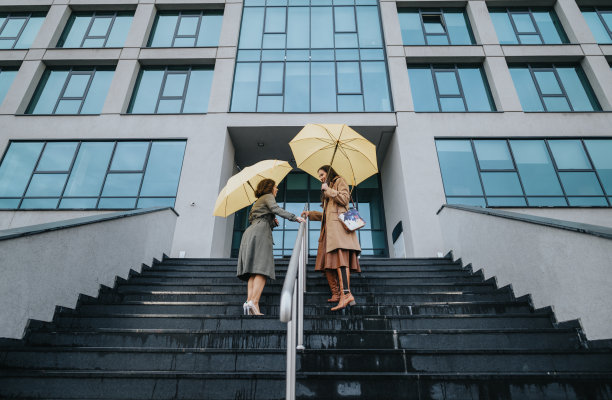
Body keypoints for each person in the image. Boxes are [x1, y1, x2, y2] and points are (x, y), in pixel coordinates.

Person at [237, 178, 306, 315]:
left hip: (250, 233)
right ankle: (254, 302)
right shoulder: (268, 197)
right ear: (269, 187)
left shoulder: (257, 202)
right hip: (260, 233)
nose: (277, 189)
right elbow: (276, 209)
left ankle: (249, 301)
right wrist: (295, 217)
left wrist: (272, 221)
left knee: (252, 271)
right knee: (262, 269)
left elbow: (258, 219)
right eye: (276, 186)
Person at [302, 165, 361, 311]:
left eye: (322, 174)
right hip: (328, 232)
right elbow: (327, 214)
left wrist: (328, 190)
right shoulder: (328, 187)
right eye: (319, 176)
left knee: (341, 260)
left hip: (339, 230)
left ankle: (346, 294)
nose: (321, 178)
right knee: (326, 262)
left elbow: (345, 200)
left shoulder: (339, 181)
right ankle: (336, 293)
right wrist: (312, 214)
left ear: (328, 173)